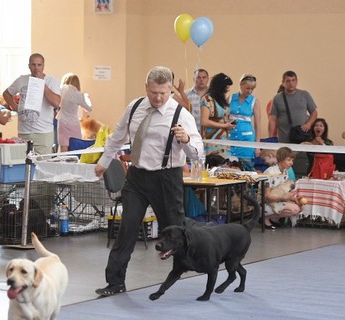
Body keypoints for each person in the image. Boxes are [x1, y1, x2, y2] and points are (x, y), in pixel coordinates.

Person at [93, 66, 203, 297]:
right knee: (127, 230)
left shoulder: (181, 114)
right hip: (137, 178)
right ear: (146, 87)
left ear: (170, 90)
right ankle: (115, 283)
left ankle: (198, 267)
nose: (159, 98)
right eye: (154, 92)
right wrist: (103, 162)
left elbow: (197, 154)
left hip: (167, 178)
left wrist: (185, 141)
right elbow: (117, 137)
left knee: (176, 233)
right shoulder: (134, 107)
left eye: (164, 93)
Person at [3, 53, 61, 155]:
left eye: (39, 65)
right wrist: (16, 107)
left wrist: (42, 84)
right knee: (23, 165)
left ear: (43, 66)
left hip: (43, 133)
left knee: (42, 166)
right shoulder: (22, 80)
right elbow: (7, 94)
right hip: (24, 132)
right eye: (33, 65)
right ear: (29, 66)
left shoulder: (52, 81)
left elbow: (56, 103)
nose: (36, 68)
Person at [268, 71, 318, 143]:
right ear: (283, 83)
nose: (291, 83)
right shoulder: (277, 98)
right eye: (288, 81)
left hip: (302, 137)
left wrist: (309, 124)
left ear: (296, 81)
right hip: (284, 139)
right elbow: (272, 119)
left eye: (293, 80)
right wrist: (270, 137)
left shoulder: (304, 94)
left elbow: (314, 112)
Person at [263, 147, 303, 229]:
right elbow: (266, 196)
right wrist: (284, 197)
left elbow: (283, 191)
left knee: (300, 207)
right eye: (288, 160)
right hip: (265, 202)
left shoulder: (285, 172)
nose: (291, 163)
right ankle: (264, 217)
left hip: (276, 200)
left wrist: (293, 198)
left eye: (292, 160)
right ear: (281, 160)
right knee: (294, 209)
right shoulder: (270, 173)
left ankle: (272, 218)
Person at [200, 73, 235, 156]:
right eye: (226, 87)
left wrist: (229, 124)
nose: (228, 90)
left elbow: (225, 116)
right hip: (212, 138)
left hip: (224, 138)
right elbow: (204, 121)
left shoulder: (222, 100)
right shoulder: (207, 99)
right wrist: (224, 126)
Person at [228, 74, 262, 163]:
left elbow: (258, 125)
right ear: (241, 85)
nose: (250, 91)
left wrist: (257, 145)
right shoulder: (231, 98)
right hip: (231, 136)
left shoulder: (254, 101)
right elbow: (225, 117)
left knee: (246, 165)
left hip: (247, 139)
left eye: (252, 89)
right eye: (247, 88)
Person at [57, 73, 93, 152]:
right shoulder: (78, 94)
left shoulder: (61, 89)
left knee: (63, 146)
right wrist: (87, 97)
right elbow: (89, 108)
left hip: (62, 121)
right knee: (75, 146)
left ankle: (63, 163)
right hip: (74, 123)